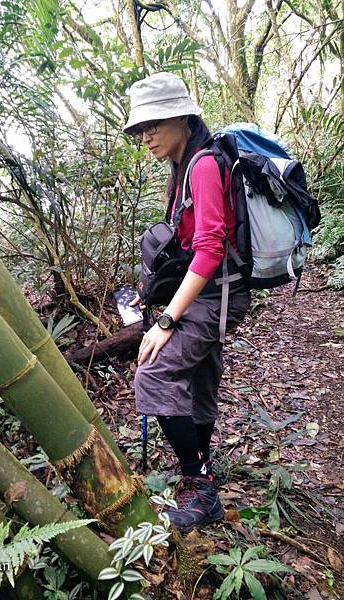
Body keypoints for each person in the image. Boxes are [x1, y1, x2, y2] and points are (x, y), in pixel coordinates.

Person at [123, 72, 251, 534]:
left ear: (183, 116)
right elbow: (188, 242)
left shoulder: (202, 166)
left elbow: (212, 247)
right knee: (198, 378)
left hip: (218, 295)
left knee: (154, 375)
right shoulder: (185, 168)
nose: (147, 135)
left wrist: (168, 320)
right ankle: (201, 468)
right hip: (212, 291)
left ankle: (200, 488)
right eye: (141, 128)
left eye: (155, 123)